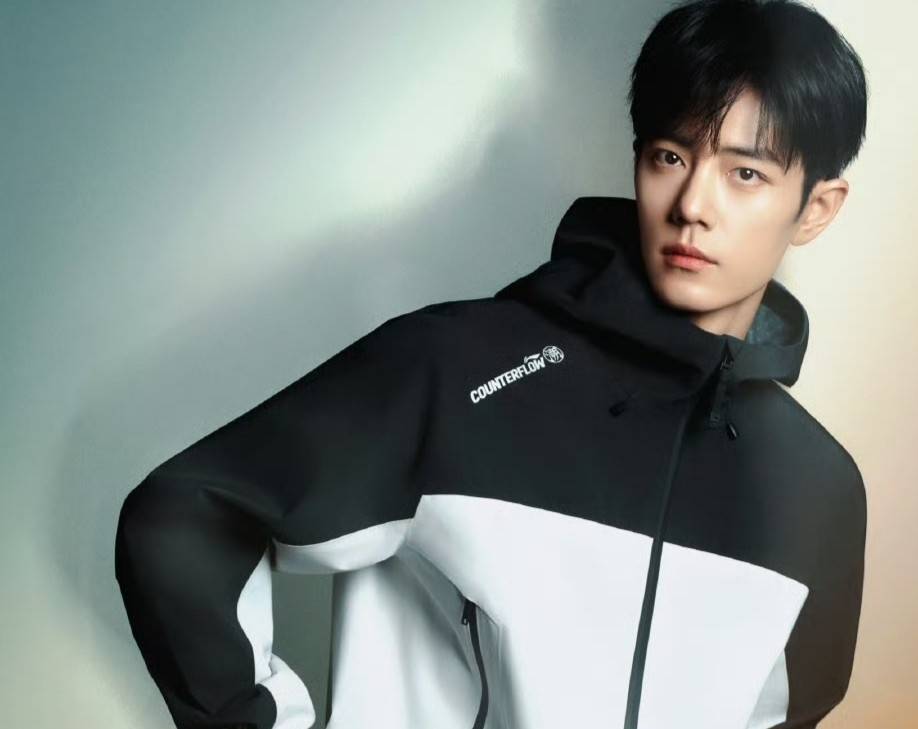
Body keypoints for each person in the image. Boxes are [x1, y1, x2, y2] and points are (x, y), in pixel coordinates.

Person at [114, 1, 869, 727]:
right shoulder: (458, 373)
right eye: (669, 157)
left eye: (744, 173)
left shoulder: (817, 490)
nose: (692, 204)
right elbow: (184, 519)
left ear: (816, 207)